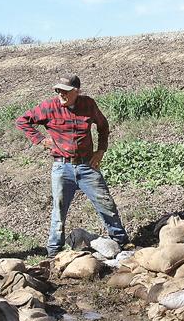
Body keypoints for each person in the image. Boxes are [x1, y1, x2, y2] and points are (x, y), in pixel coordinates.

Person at [16, 74, 129, 257]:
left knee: (106, 204)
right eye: (58, 90)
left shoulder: (88, 105)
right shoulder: (49, 107)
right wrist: (41, 140)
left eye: (65, 91)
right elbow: (22, 121)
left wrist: (100, 151)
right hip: (62, 167)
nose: (61, 93)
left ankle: (121, 242)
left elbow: (103, 126)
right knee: (58, 211)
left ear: (76, 91)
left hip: (87, 166)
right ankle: (53, 252)